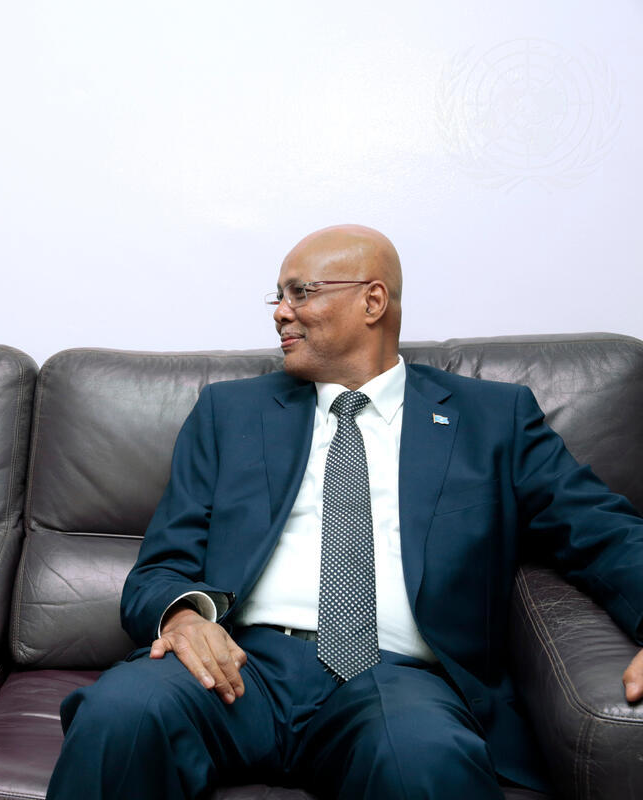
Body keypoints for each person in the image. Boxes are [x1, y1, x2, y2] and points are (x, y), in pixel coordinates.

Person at [46, 224, 643, 799]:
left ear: (372, 301)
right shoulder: (229, 412)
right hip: (240, 666)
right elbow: (159, 568)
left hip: (398, 678)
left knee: (423, 757)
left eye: (300, 292)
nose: (280, 312)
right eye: (278, 296)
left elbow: (602, 530)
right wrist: (182, 618)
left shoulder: (493, 417)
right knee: (121, 711)